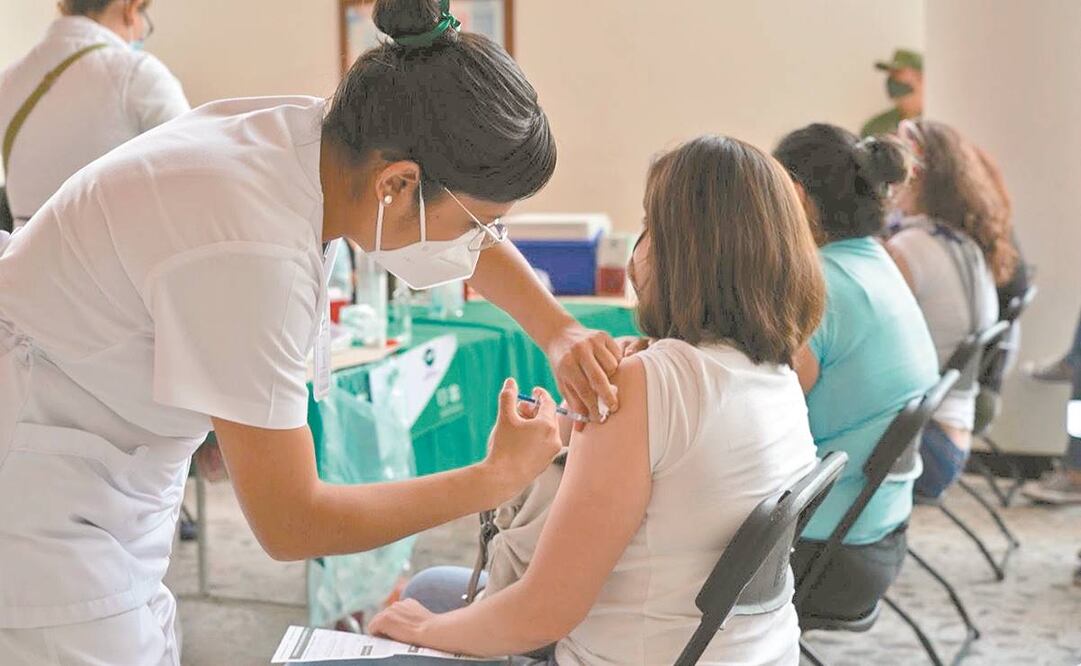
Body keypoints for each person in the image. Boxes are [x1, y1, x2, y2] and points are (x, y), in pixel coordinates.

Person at [0, 0, 624, 662]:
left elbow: (462, 225)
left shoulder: (317, 135)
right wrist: (492, 480)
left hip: (98, 464)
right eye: (477, 225)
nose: (478, 245)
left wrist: (559, 331)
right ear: (397, 183)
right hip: (42, 503)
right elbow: (290, 521)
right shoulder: (252, 248)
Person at [369, 135, 825, 665]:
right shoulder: (776, 370)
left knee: (416, 604)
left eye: (649, 226)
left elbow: (544, 611)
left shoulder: (650, 384)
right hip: (753, 652)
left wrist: (425, 629)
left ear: (681, 251)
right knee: (434, 587)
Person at [773, 123, 939, 621]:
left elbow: (745, 418)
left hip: (822, 556)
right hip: (875, 536)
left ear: (796, 198)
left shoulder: (819, 289)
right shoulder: (878, 265)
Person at [886, 119, 1016, 499]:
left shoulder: (910, 249)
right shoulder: (966, 244)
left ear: (917, 174)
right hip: (953, 431)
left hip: (923, 445)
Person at [0, 0, 188, 229]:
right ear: (130, 8)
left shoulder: (8, 80)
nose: (140, 31)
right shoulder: (138, 74)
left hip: (23, 256)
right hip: (114, 256)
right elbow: (191, 178)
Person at [860, 48, 923, 138]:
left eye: (899, 73)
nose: (892, 80)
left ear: (921, 78)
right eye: (891, 74)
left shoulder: (936, 124)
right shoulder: (875, 128)